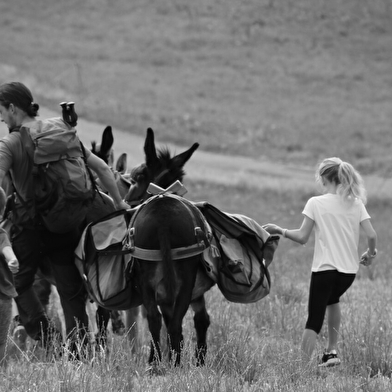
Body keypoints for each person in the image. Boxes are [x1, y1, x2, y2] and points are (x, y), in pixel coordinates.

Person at [0, 81, 129, 357]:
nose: (1, 118)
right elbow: (102, 168)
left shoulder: (11, 142)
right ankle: (80, 353)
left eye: (1, 111)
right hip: (66, 224)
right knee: (71, 292)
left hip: (28, 230)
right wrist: (119, 202)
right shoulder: (60, 131)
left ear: (12, 108)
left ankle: (50, 341)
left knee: (17, 283)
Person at [263, 157, 377, 367]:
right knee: (333, 301)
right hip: (348, 273)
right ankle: (331, 352)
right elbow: (371, 235)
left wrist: (280, 230)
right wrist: (370, 255)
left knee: (314, 318)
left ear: (325, 177)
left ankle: (300, 366)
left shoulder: (316, 203)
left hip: (324, 270)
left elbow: (302, 237)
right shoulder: (356, 203)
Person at [0, 187, 19, 364]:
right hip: (3, 297)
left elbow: (7, 250)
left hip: (3, 298)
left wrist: (12, 259)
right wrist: (11, 259)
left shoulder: (1, 234)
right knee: (1, 342)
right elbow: (6, 249)